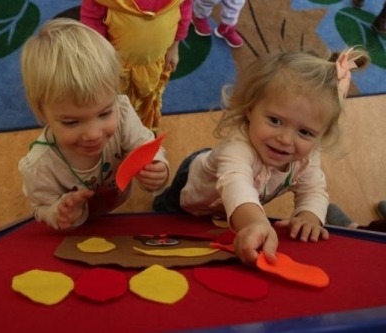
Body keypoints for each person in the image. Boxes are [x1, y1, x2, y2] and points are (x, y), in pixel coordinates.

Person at [153, 47, 370, 266]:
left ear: (321, 135)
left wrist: (309, 217)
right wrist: (255, 223)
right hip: (194, 186)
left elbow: (313, 190)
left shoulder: (307, 158)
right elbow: (237, 185)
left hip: (223, 210)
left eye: (305, 132)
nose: (285, 139)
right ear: (251, 108)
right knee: (165, 213)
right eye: (275, 121)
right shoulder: (236, 149)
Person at [18, 18, 170, 231]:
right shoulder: (39, 166)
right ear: (42, 113)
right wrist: (57, 213)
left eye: (105, 113)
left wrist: (158, 166)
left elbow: (146, 145)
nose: (93, 134)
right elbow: (39, 208)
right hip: (79, 229)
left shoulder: (123, 112)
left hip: (119, 206)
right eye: (72, 122)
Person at [80, 0, 193, 131]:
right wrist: (101, 58)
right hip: (117, 66)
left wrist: (174, 47)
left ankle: (140, 129)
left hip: (153, 63)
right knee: (113, 104)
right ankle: (117, 133)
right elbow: (92, 21)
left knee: (147, 98)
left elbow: (183, 10)